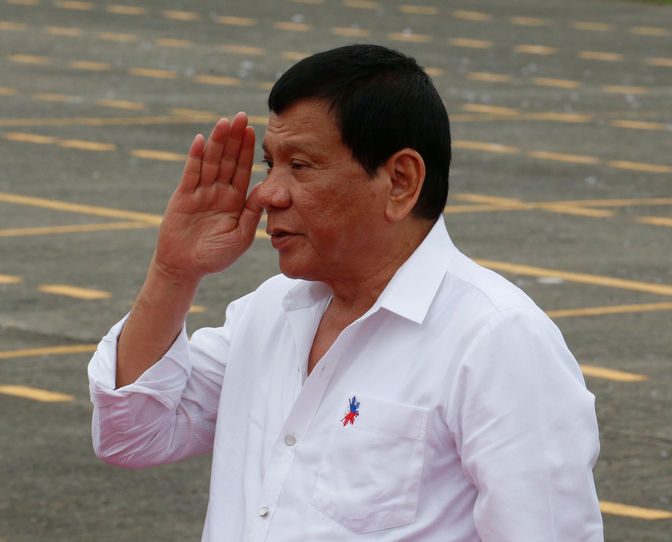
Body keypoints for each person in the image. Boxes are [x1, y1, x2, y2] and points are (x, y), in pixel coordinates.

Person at [88, 44, 603, 541]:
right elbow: (132, 435)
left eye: (301, 166)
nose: (268, 193)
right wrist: (173, 271)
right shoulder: (271, 312)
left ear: (400, 180)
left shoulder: (496, 340)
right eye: (270, 164)